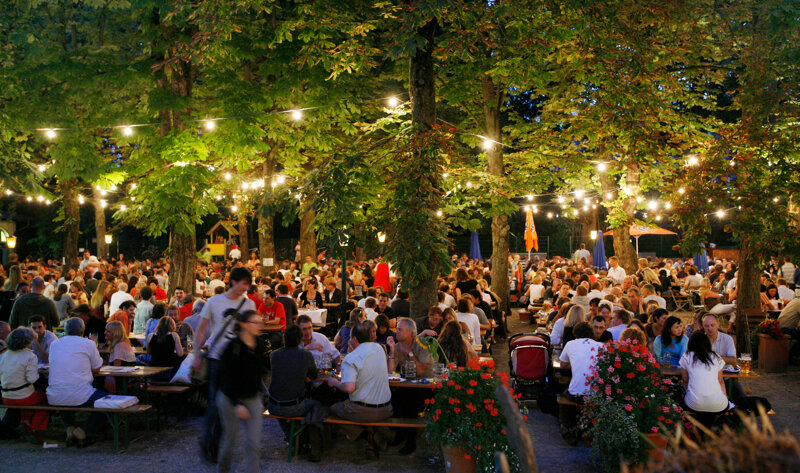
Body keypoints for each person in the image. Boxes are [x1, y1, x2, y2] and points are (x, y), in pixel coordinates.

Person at [193, 267, 257, 462]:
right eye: (243, 283)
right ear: (233, 282)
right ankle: (210, 444)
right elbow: (201, 330)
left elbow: (252, 332)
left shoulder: (249, 304)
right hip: (217, 357)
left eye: (247, 284)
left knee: (229, 402)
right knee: (214, 403)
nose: (245, 287)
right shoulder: (214, 302)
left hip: (238, 359)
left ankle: (219, 445)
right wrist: (196, 355)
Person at [327, 323, 392, 458]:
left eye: (350, 337)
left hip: (363, 411)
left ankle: (366, 437)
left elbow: (349, 388)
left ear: (355, 339)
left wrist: (335, 383)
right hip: (387, 409)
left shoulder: (351, 359)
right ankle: (372, 437)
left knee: (330, 410)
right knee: (359, 404)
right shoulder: (379, 349)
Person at [217, 310, 266, 473]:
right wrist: (237, 404)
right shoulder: (233, 347)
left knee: (254, 443)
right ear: (244, 325)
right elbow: (226, 378)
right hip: (230, 397)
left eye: (260, 322)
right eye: (255, 322)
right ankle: (222, 469)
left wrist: (259, 398)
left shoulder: (259, 344)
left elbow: (259, 373)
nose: (259, 325)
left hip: (252, 397)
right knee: (230, 440)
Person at [46, 317, 107, 446]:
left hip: (54, 395)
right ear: (83, 330)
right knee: (110, 401)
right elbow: (96, 368)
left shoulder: (55, 344)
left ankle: (70, 428)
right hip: (80, 394)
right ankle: (84, 430)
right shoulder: (88, 344)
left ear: (65, 330)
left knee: (63, 393)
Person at [267, 325, 320, 458]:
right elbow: (314, 374)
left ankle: (293, 440)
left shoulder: (274, 355)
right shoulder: (305, 355)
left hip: (273, 405)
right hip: (294, 406)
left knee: (283, 405)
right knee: (317, 405)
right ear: (300, 340)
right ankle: (306, 440)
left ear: (284, 339)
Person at [0, 327, 49, 442]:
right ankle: (33, 427)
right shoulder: (30, 356)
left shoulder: (4, 355)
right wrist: (36, 371)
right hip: (24, 397)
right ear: (27, 342)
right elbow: (32, 379)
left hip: (6, 397)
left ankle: (26, 421)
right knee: (46, 401)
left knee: (33, 398)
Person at [679, 332, 729, 428]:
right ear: (707, 343)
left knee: (694, 403)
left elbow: (685, 381)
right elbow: (721, 381)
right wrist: (725, 396)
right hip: (719, 405)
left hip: (693, 404)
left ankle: (698, 430)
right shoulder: (716, 357)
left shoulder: (687, 356)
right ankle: (708, 429)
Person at [147, 316, 185, 381]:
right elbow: (180, 354)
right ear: (172, 325)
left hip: (154, 370)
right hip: (169, 369)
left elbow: (149, 352)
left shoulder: (151, 335)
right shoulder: (174, 335)